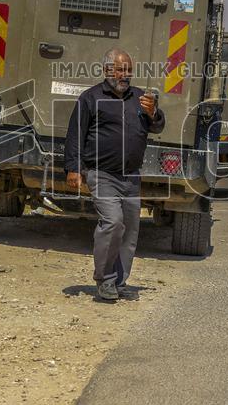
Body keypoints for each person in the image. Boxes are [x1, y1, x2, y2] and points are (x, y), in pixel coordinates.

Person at [64, 48, 165, 301]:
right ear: (106, 70)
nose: (125, 75)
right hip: (102, 174)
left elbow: (158, 126)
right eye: (120, 70)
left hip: (131, 176)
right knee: (112, 222)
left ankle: (119, 282)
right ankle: (105, 279)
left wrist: (153, 112)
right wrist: (73, 168)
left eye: (128, 70)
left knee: (130, 230)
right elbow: (75, 134)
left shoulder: (141, 98)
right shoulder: (91, 98)